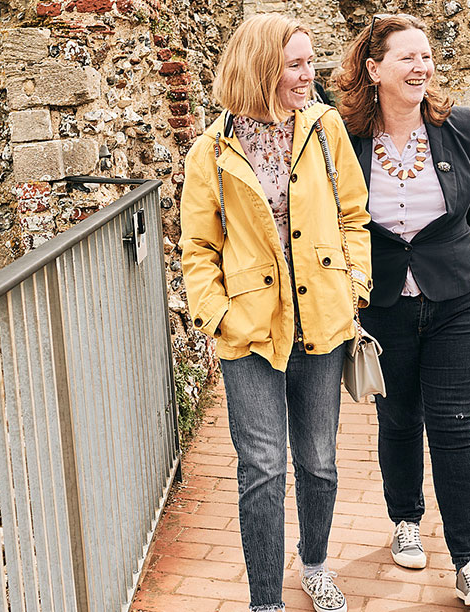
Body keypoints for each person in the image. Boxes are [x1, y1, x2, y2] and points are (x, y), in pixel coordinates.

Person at [179, 13, 372, 612]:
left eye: (310, 62)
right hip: (251, 331)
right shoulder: (211, 151)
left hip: (321, 319)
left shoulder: (325, 128)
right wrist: (219, 316)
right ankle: (266, 600)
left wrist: (355, 286)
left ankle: (315, 566)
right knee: (262, 468)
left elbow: (353, 215)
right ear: (262, 68)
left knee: (318, 461)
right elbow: (198, 249)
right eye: (295, 64)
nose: (309, 75)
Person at [335, 14, 470, 609]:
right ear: (374, 69)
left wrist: (436, 254)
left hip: (456, 299)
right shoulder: (344, 136)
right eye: (406, 57)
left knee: (454, 425)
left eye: (426, 56)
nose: (421, 67)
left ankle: (469, 562)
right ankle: (405, 521)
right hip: (382, 303)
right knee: (400, 418)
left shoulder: (462, 125)